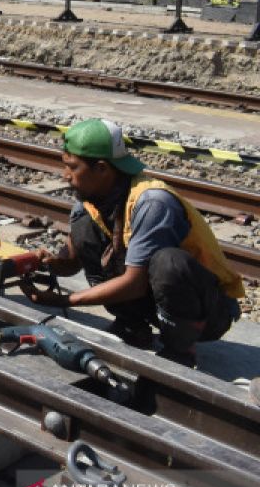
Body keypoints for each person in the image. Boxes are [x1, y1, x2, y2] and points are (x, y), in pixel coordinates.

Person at [19, 118, 242, 367]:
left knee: (168, 263)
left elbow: (134, 284)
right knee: (83, 227)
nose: (65, 175)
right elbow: (73, 260)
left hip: (208, 310)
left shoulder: (152, 202)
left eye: (73, 167)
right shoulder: (90, 202)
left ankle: (180, 349)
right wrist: (53, 263)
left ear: (102, 168)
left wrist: (67, 300)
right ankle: (132, 325)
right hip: (155, 297)